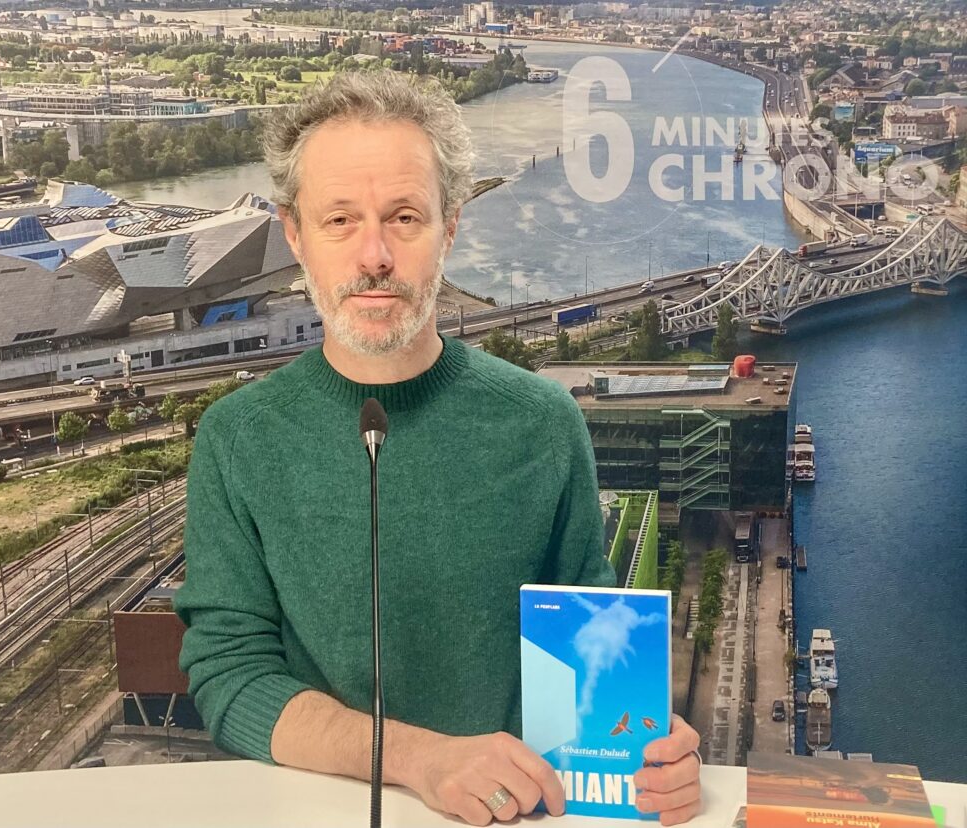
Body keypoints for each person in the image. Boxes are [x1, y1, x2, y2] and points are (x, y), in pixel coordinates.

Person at [175, 71, 702, 826]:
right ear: (295, 234)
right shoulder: (238, 439)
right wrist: (422, 760)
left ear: (451, 226)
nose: (375, 255)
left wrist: (647, 752)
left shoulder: (543, 422)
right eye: (340, 221)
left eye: (405, 217)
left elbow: (594, 651)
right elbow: (230, 677)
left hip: (514, 813)